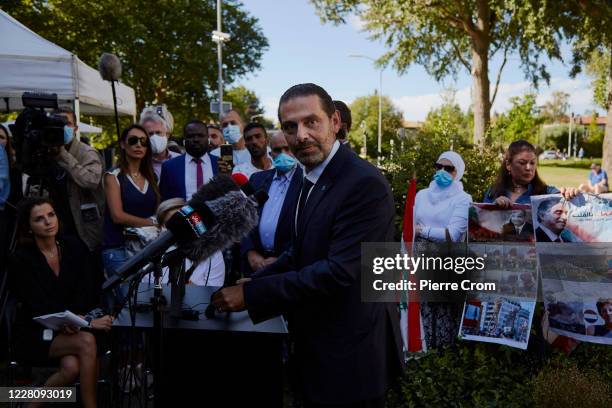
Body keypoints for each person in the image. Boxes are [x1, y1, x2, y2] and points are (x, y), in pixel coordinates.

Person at [213, 83, 403, 407]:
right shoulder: (308, 174)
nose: (300, 135)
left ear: (335, 121)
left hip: (351, 360)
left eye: (311, 121)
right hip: (316, 350)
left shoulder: (364, 184)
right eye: (290, 126)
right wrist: (257, 280)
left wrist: (252, 295)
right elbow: (301, 249)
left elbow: (337, 271)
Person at [9, 197, 113, 408]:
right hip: (35, 332)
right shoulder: (20, 258)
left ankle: (31, 404)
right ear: (28, 227)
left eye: (51, 215)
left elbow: (87, 289)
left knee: (72, 367)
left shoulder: (73, 246)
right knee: (87, 342)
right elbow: (36, 303)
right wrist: (86, 323)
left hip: (71, 328)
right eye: (39, 219)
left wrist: (75, 320)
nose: (48, 222)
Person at [413, 151, 472, 348]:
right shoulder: (422, 195)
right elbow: (411, 229)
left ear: (458, 172)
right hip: (419, 261)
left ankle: (443, 359)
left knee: (444, 313)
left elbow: (452, 234)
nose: (442, 172)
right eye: (438, 167)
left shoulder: (463, 199)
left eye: (449, 168)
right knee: (421, 310)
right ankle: (419, 353)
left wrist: (423, 230)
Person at [101, 125, 159, 283]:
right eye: (133, 140)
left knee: (146, 298)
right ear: (122, 144)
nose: (139, 145)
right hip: (118, 248)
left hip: (147, 248)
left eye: (143, 141)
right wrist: (152, 222)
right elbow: (117, 216)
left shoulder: (152, 177)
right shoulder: (113, 176)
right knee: (127, 300)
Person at [241, 131, 302, 276]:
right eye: (277, 150)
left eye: (287, 149)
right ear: (270, 152)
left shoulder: (307, 183)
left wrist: (282, 260)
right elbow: (243, 219)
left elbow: (307, 231)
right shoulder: (257, 180)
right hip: (255, 266)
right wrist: (250, 251)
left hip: (288, 269)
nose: (283, 154)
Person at [51, 108, 106, 253]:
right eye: (57, 123)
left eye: (67, 123)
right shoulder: (47, 151)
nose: (62, 127)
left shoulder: (87, 153)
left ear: (75, 128)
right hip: (56, 225)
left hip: (83, 229)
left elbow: (91, 181)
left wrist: (63, 155)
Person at [140, 198, 225, 286]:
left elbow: (214, 293)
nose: (177, 230)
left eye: (181, 224)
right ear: (161, 228)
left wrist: (192, 289)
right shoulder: (152, 254)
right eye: (169, 225)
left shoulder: (214, 254)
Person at [483, 139, 579, 206]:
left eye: (532, 163)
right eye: (522, 163)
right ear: (508, 165)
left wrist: (570, 194)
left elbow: (569, 203)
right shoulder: (493, 192)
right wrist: (493, 209)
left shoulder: (546, 192)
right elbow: (482, 224)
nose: (529, 168)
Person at [159, 119, 219, 202]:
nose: (196, 139)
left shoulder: (220, 164)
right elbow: (164, 201)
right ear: (184, 140)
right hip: (182, 214)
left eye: (200, 135)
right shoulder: (169, 167)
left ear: (208, 138)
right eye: (191, 136)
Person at [140, 110, 181, 177]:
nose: (154, 137)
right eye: (150, 134)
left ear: (167, 134)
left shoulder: (180, 160)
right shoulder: (139, 164)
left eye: (158, 132)